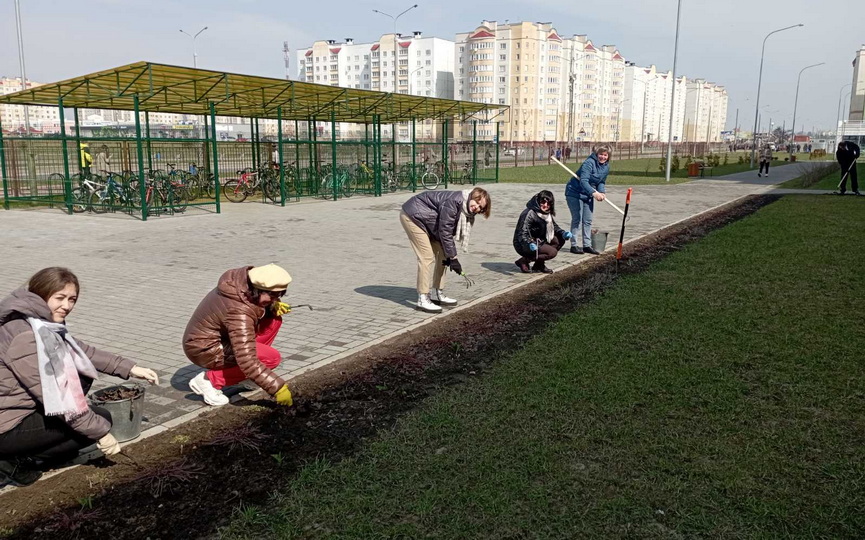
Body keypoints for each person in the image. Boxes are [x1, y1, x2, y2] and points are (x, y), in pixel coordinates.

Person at [0, 267, 159, 486]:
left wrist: (131, 368)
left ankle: (34, 453)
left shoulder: (38, 323)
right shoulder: (25, 336)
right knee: (98, 423)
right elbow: (61, 395)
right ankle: (14, 462)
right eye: (60, 298)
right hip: (6, 425)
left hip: (17, 410)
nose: (67, 306)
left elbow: (85, 352)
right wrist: (101, 434)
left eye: (72, 299)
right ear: (41, 294)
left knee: (93, 413)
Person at [183, 264, 294, 408]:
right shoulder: (239, 310)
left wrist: (271, 307)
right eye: (272, 295)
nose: (275, 299)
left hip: (222, 338)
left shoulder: (241, 284)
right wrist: (278, 388)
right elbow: (247, 359)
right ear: (257, 290)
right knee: (271, 358)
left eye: (279, 295)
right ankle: (208, 381)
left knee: (273, 320)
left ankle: (245, 375)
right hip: (204, 349)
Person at [400, 187, 491, 313]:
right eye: (477, 203)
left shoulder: (466, 211)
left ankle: (437, 292)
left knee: (444, 256)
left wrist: (450, 256)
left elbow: (445, 231)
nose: (477, 208)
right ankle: (423, 298)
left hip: (430, 223)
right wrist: (454, 257)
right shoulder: (455, 202)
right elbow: (445, 230)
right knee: (426, 257)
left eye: (481, 208)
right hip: (413, 216)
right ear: (472, 197)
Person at [565, 145, 610, 255]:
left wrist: (602, 192)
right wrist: (594, 193)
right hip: (574, 192)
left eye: (605, 155)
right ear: (596, 154)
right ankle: (574, 245)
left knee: (588, 220)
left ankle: (587, 245)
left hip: (588, 194)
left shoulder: (606, 166)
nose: (603, 157)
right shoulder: (589, 163)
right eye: (601, 154)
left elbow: (601, 182)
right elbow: (583, 181)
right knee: (577, 219)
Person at [513, 190, 572, 274]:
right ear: (538, 201)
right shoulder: (529, 213)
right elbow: (521, 233)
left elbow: (554, 226)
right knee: (552, 252)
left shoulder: (546, 213)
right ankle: (524, 260)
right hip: (524, 243)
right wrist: (529, 242)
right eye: (543, 202)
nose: (545, 205)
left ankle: (539, 265)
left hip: (539, 240)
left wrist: (563, 233)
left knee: (560, 239)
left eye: (548, 203)